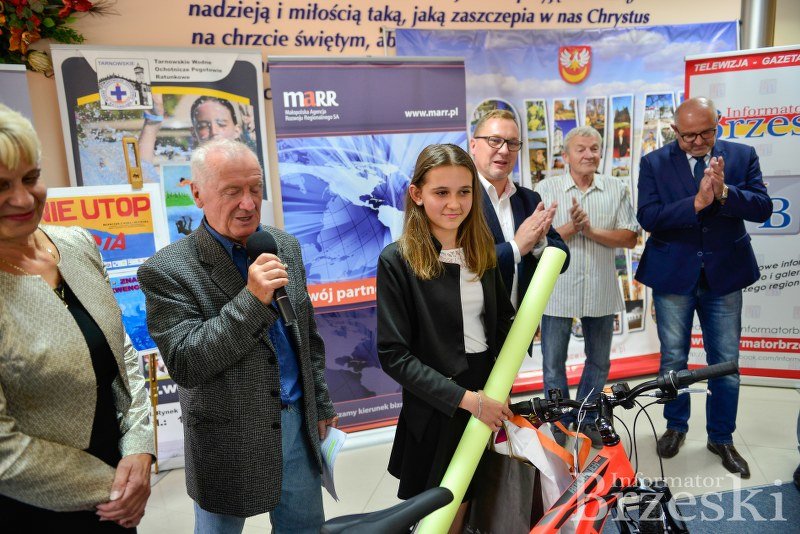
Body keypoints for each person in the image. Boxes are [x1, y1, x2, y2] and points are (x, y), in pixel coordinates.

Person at [137, 138, 337, 533]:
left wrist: (321, 401)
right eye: (232, 191)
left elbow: (307, 336)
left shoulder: (283, 246)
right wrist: (252, 300)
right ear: (197, 194)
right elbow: (187, 362)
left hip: (297, 425)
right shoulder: (167, 269)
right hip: (227, 439)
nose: (248, 203)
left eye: (255, 189)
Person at [0, 104, 154, 530]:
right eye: (1, 186)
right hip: (34, 505)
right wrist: (114, 488)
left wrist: (140, 446)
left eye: (31, 178)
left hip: (120, 482)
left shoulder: (75, 243)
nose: (22, 198)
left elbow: (122, 349)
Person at [377, 144, 515, 534]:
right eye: (441, 192)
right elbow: (393, 354)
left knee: (477, 501)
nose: (454, 204)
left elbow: (502, 324)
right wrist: (467, 400)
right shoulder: (397, 260)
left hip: (487, 390)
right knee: (440, 511)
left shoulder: (483, 252)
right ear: (417, 194)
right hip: (438, 402)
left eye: (464, 191)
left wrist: (502, 385)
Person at [636, 97, 771, 478]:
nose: (697, 142)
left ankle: (721, 437)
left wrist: (725, 192)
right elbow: (648, 217)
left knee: (725, 363)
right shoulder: (654, 162)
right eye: (688, 135)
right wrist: (695, 203)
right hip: (672, 276)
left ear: (719, 123)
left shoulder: (742, 155)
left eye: (706, 133)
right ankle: (675, 427)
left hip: (725, 275)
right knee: (673, 360)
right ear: (674, 131)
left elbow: (763, 208)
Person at [535, 126, 639, 447]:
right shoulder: (545, 189)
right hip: (557, 289)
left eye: (594, 148)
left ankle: (587, 416)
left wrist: (591, 231)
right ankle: (559, 420)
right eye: (580, 149)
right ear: (565, 155)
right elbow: (535, 241)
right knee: (553, 362)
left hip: (600, 288)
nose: (589, 154)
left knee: (599, 361)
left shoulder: (616, 187)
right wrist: (570, 228)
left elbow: (630, 236)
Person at [470, 109, 569, 310]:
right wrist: (516, 247)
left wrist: (539, 242)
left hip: (523, 323)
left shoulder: (530, 199)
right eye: (495, 140)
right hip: (476, 324)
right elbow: (464, 263)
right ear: (473, 145)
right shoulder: (460, 200)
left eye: (513, 143)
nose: (504, 150)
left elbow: (562, 261)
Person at [138, 94, 256, 166]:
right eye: (203, 126)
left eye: (221, 124)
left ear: (237, 131)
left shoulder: (250, 165)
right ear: (194, 134)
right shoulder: (185, 170)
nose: (214, 131)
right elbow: (145, 175)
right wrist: (152, 123)